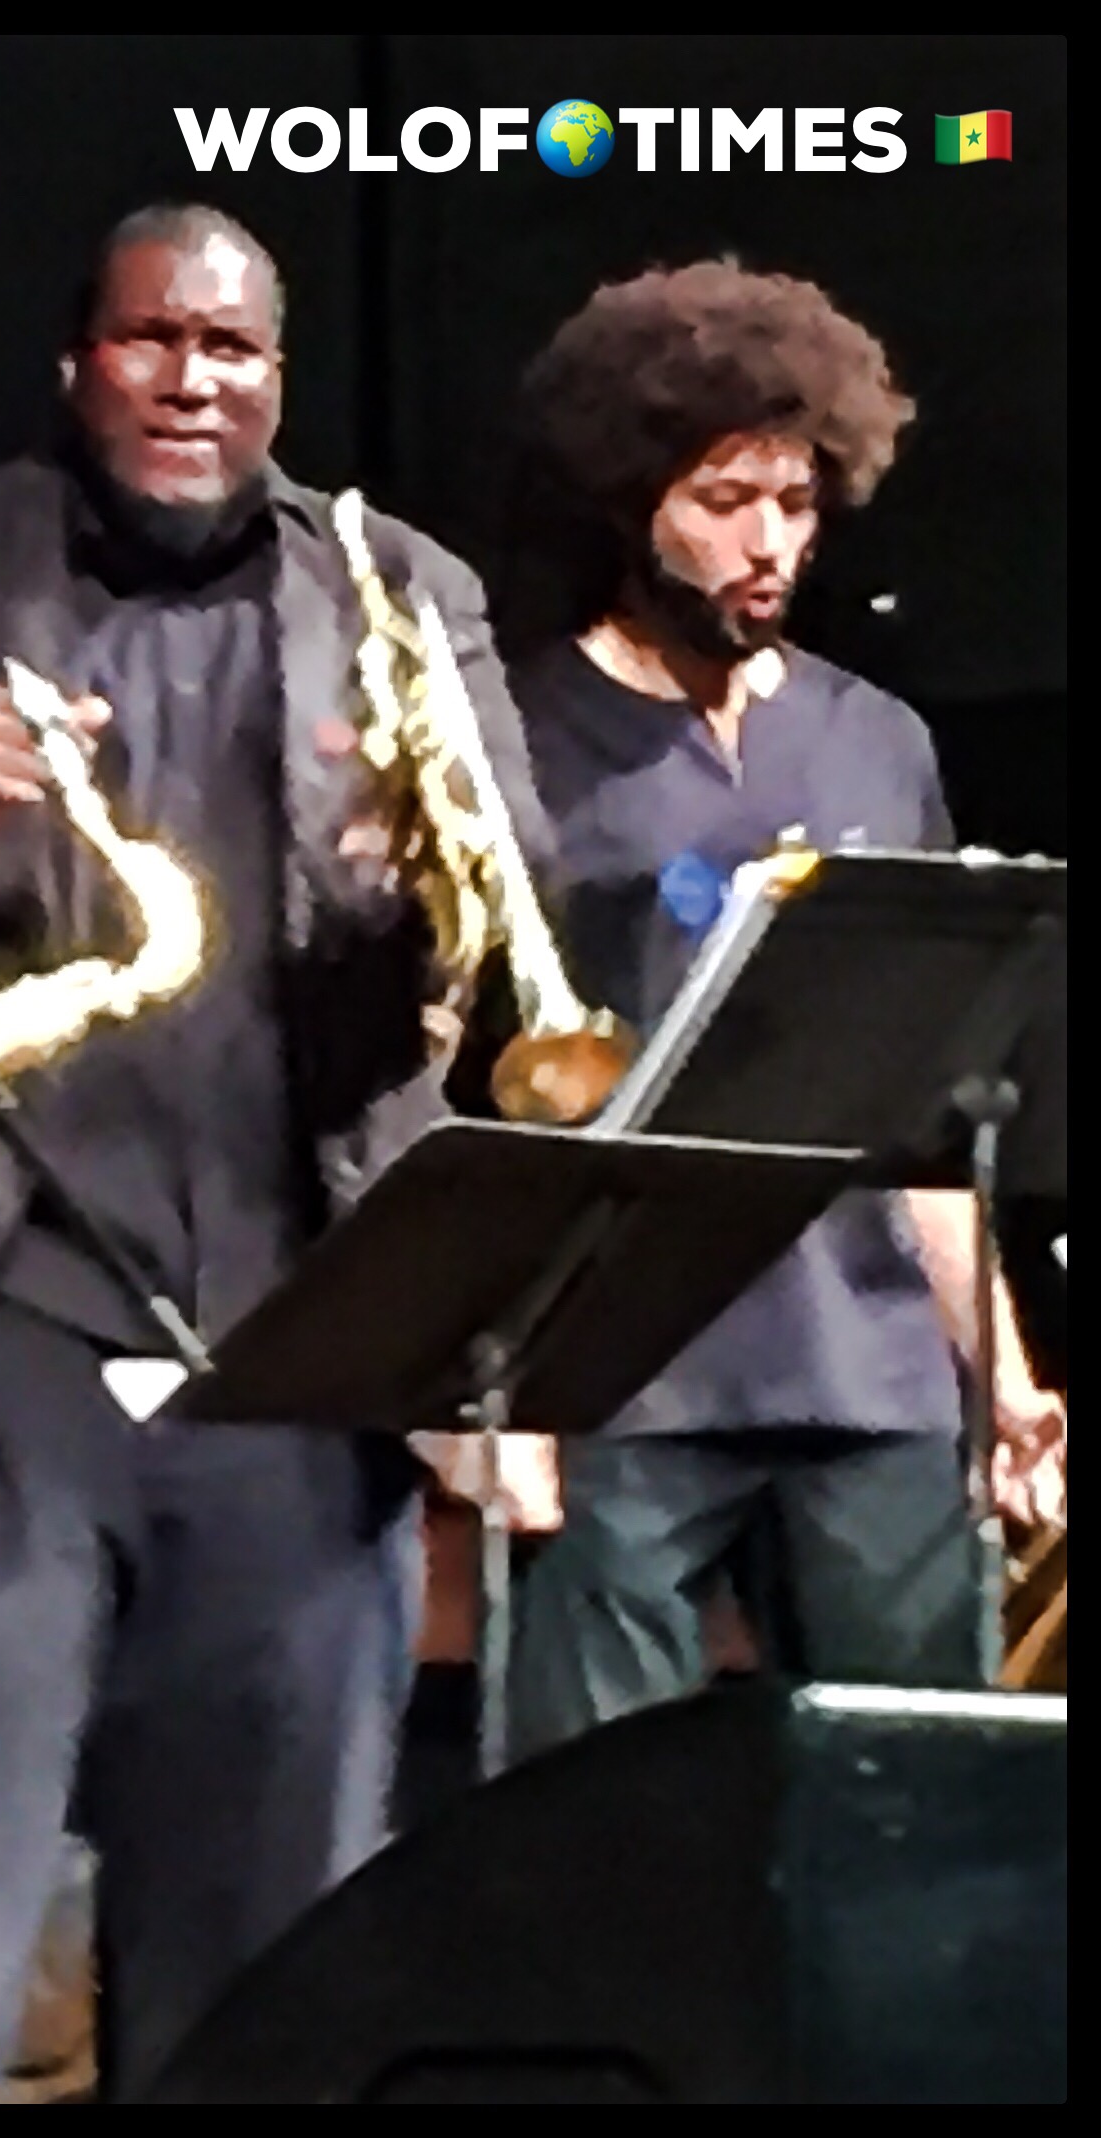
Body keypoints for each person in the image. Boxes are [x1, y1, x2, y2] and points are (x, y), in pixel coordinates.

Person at [0, 201, 557, 2104]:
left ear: (278, 377)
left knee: (269, 1949)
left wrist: (417, 864)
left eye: (233, 351)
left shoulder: (398, 585)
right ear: (79, 362)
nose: (194, 381)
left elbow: (518, 904)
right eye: (154, 341)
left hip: (304, 1340)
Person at [495, 260, 1067, 1762]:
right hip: (629, 1373)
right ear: (633, 501)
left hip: (867, 1371)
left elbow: (922, 1096)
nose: (768, 543)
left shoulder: (875, 740)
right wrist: (500, 1399)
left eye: (796, 504)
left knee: (919, 1793)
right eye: (725, 499)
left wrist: (1003, 1373)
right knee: (596, 1805)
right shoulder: (524, 735)